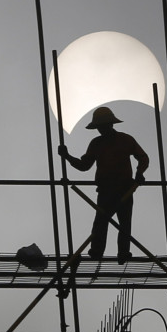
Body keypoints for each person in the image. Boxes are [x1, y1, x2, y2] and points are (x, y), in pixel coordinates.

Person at [58, 106, 149, 264]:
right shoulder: (96, 143)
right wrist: (67, 156)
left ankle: (123, 252)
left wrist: (139, 173)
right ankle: (97, 252)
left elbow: (143, 158)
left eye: (102, 126)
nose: (100, 130)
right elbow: (84, 166)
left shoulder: (125, 139)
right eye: (99, 127)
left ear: (110, 124)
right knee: (101, 222)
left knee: (124, 222)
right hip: (106, 189)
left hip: (124, 188)